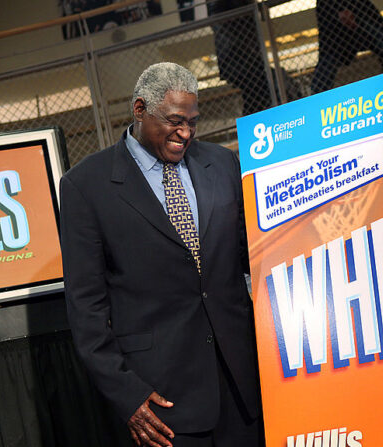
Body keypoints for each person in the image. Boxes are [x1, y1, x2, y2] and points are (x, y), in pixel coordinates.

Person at [60, 62, 262, 446]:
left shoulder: (221, 164)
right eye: (173, 121)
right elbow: (86, 309)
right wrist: (127, 396)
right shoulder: (86, 186)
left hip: (242, 387)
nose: (185, 133)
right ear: (140, 109)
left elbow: (249, 255)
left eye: (192, 121)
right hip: (162, 404)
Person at [312, 0, 383, 94]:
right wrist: (341, 9)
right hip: (335, 17)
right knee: (329, 57)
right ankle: (317, 94)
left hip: (357, 11)